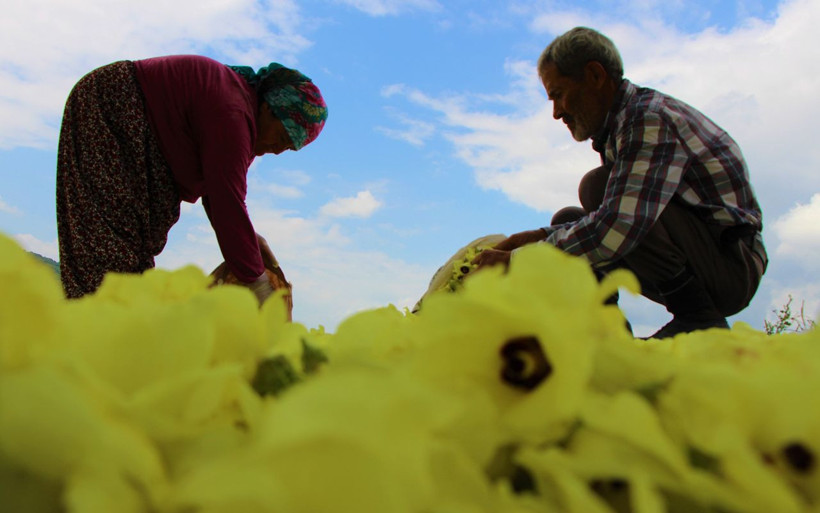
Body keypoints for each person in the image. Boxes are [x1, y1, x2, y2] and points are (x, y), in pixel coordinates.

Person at [473, 27, 767, 339]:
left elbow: (620, 224)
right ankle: (609, 333)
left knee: (596, 187)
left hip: (731, 265)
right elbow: (613, 218)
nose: (557, 112)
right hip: (706, 257)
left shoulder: (648, 119)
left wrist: (521, 261)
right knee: (568, 220)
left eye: (558, 95)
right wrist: (533, 237)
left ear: (595, 76)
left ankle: (699, 317)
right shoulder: (622, 127)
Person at [56, 55, 327, 305]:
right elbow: (226, 203)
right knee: (110, 246)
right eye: (281, 138)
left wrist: (256, 244)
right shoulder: (233, 112)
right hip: (114, 107)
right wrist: (259, 285)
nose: (278, 150)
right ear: (269, 108)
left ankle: (112, 332)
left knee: (134, 251)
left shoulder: (240, 115)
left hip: (141, 134)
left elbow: (218, 193)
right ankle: (95, 336)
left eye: (288, 148)